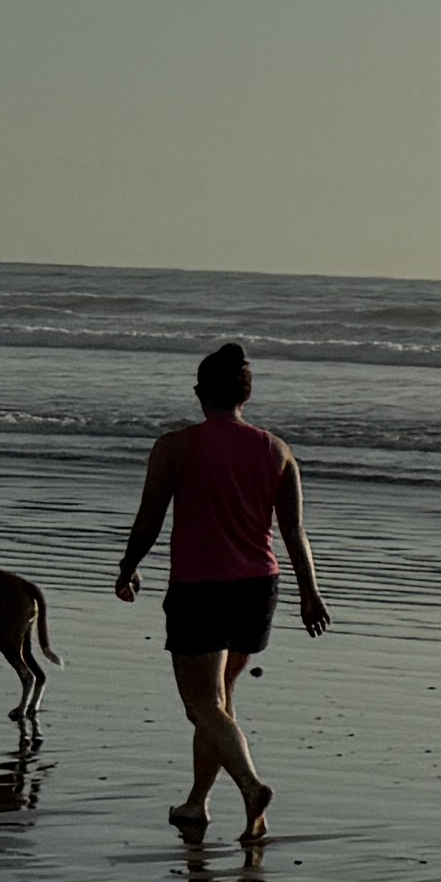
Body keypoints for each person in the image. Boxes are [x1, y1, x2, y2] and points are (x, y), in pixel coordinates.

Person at [116, 341, 330, 841]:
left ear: (199, 392)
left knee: (201, 705)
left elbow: (149, 519)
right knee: (220, 700)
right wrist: (310, 594)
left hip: (200, 589)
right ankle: (196, 802)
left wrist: (128, 567)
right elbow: (296, 532)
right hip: (259, 588)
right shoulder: (276, 450)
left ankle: (253, 787)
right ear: (245, 396)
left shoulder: (175, 446)